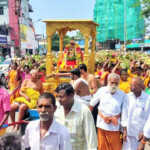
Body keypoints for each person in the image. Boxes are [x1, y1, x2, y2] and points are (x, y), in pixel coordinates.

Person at [89, 73, 127, 150]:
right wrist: (88, 121)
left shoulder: (122, 94)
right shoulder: (101, 91)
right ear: (108, 82)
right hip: (102, 125)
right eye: (112, 82)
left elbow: (125, 113)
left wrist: (124, 130)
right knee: (101, 147)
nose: (114, 85)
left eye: (116, 83)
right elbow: (91, 105)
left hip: (115, 127)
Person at [55, 83, 97, 150]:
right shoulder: (56, 109)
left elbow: (91, 136)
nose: (59, 99)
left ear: (71, 95)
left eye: (61, 97)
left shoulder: (84, 111)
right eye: (57, 96)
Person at [122, 77, 150, 150]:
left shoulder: (148, 99)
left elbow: (149, 120)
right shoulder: (127, 97)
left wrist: (144, 138)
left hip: (140, 136)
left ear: (141, 86)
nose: (132, 87)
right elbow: (124, 114)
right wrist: (124, 130)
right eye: (131, 85)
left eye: (134, 85)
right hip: (128, 134)